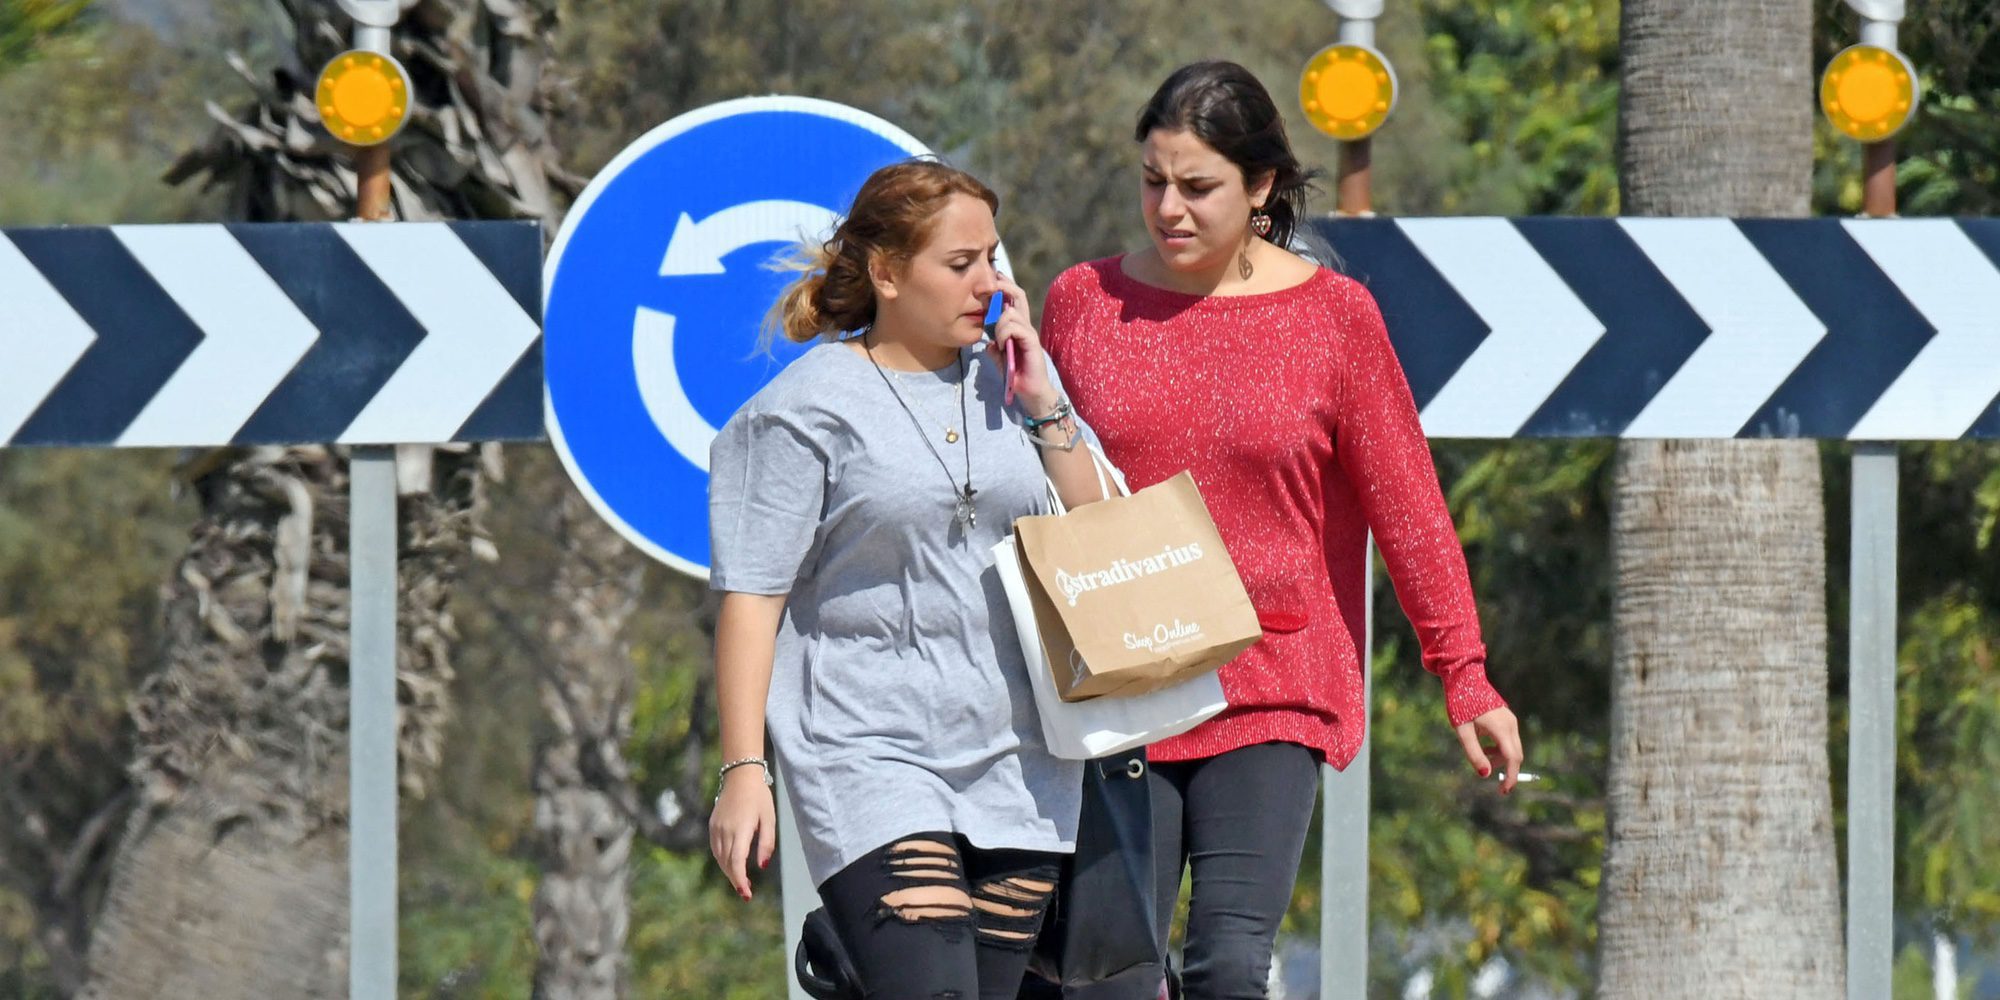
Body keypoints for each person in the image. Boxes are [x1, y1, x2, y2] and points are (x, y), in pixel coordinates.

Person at [1038, 61, 1526, 998]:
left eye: (1197, 187)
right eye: (1152, 182)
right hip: (1119, 682)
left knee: (1227, 965)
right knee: (1112, 978)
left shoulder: (1334, 319)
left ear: (1260, 187)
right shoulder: (1082, 304)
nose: (1168, 208)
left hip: (1271, 679)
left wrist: (1464, 676)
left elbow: (1410, 507)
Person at [706, 158, 1111, 1000]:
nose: (987, 282)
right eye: (959, 264)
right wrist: (745, 768)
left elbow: (1107, 531)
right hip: (869, 749)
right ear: (887, 273)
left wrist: (1042, 400)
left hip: (1021, 757)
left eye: (993, 259)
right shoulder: (804, 410)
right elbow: (752, 597)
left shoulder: (1015, 384)